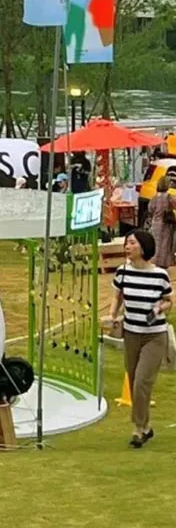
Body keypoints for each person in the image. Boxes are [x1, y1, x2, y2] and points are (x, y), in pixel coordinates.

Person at [109, 230, 173, 448]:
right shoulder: (122, 271)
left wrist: (158, 308)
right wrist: (112, 315)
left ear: (143, 247)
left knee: (141, 383)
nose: (127, 246)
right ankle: (146, 426)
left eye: (132, 243)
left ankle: (137, 429)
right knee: (135, 379)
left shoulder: (159, 275)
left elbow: (168, 301)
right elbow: (117, 296)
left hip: (154, 336)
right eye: (126, 243)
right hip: (131, 333)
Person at [147, 176, 176, 269]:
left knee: (156, 243)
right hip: (166, 224)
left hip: (155, 223)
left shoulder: (154, 197)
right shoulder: (169, 197)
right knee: (165, 245)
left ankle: (154, 262)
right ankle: (163, 264)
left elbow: (150, 209)